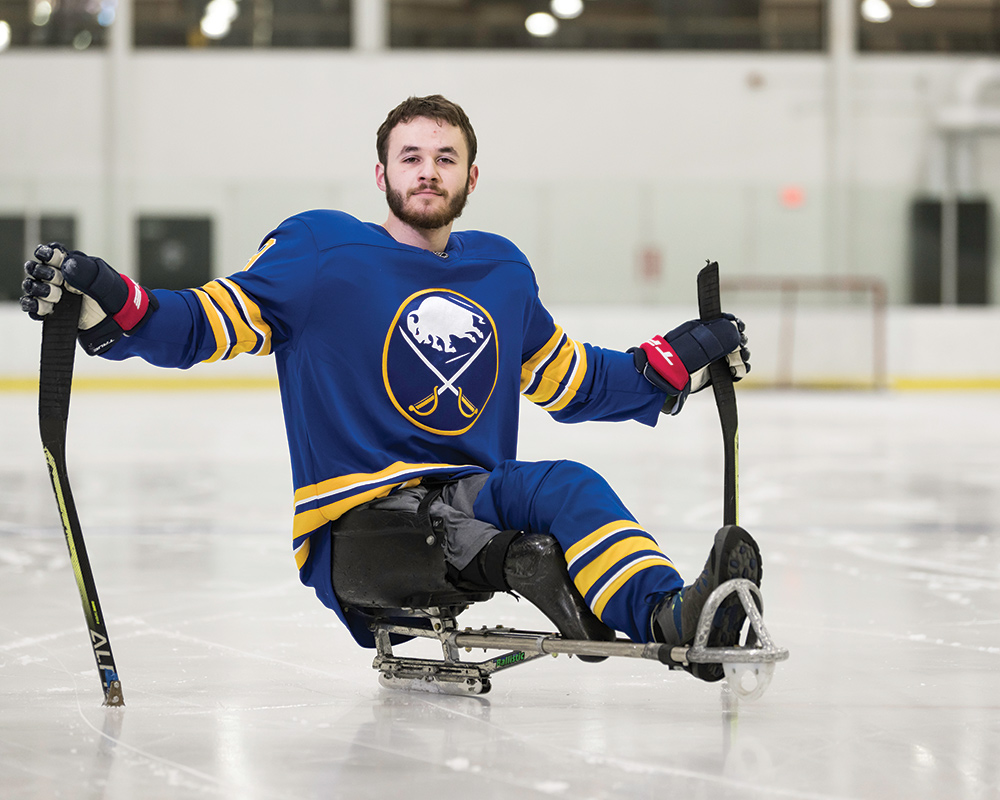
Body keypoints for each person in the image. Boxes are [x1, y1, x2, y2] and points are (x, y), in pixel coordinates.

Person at [22, 94, 758, 682]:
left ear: (472, 178)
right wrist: (114, 297)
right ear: (382, 174)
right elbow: (203, 323)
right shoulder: (319, 252)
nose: (427, 171)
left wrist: (683, 357)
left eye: (446, 158)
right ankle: (523, 565)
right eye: (410, 157)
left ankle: (672, 614)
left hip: (467, 492)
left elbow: (575, 381)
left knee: (568, 485)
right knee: (491, 528)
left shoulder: (501, 272)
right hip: (363, 527)